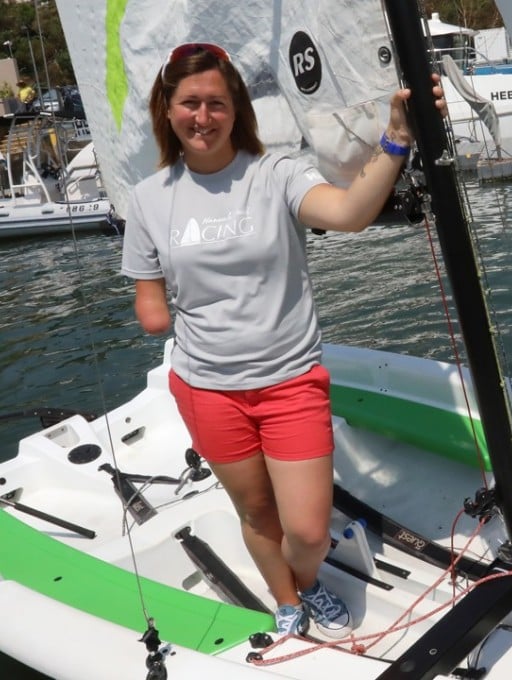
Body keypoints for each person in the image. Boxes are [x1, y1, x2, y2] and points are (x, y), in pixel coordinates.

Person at [121, 42, 446, 639]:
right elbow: (149, 299)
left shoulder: (276, 174)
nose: (203, 116)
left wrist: (397, 139)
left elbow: (348, 213)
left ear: (236, 110)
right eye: (189, 103)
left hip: (289, 383)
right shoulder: (147, 199)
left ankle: (308, 576)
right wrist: (155, 311)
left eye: (216, 103)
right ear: (166, 109)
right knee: (256, 511)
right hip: (207, 389)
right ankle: (287, 598)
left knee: (308, 531)